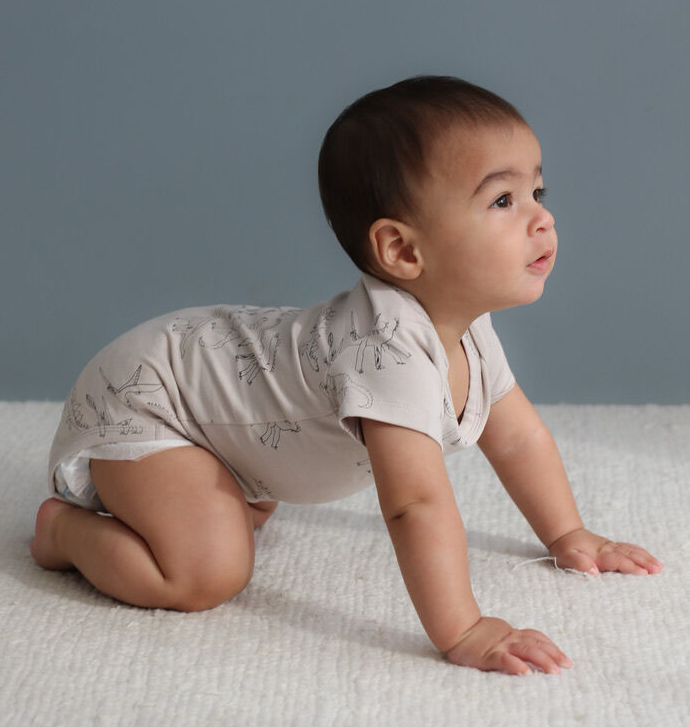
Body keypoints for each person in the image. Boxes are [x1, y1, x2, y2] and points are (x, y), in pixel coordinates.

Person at [32, 75, 663, 676]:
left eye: (537, 193)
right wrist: (464, 628)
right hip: (147, 401)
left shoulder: (466, 326)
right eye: (503, 200)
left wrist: (569, 534)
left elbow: (518, 438)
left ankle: (225, 480)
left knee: (242, 518)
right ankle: (63, 530)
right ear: (403, 251)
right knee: (207, 572)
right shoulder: (383, 351)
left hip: (206, 389)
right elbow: (415, 505)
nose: (541, 218)